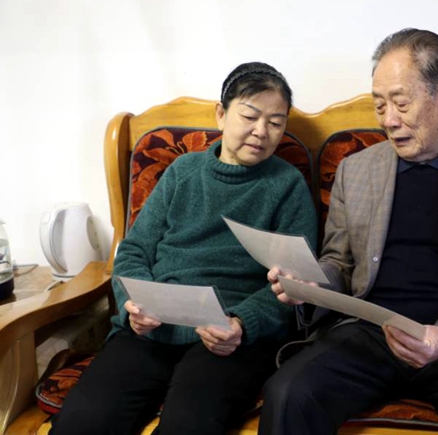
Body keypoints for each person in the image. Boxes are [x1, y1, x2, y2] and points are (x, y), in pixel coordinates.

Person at [262, 29, 438, 434]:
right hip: (370, 333)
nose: (388, 120)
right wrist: (308, 283)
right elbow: (339, 263)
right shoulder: (356, 170)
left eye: (401, 103)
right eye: (379, 105)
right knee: (288, 392)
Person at [50, 62, 317, 435]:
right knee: (83, 421)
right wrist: (132, 305)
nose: (261, 131)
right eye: (250, 117)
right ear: (221, 114)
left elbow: (295, 284)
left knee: (187, 424)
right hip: (154, 327)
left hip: (228, 337)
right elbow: (134, 251)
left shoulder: (287, 185)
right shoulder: (182, 171)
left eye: (276, 122)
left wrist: (242, 324)